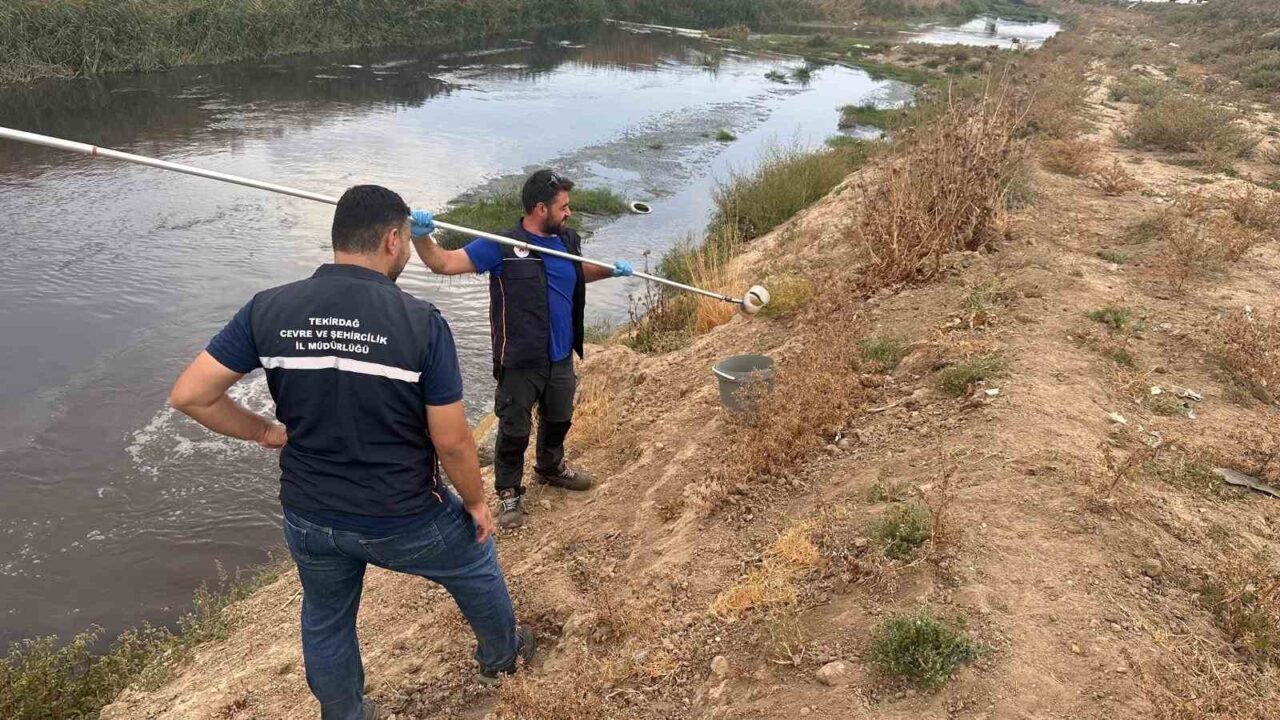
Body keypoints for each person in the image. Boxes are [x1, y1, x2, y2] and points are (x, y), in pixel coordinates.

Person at [169, 185, 533, 720]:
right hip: (403, 516)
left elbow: (190, 395)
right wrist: (477, 503)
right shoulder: (421, 321)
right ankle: (502, 659)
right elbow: (451, 439)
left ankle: (344, 713)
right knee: (476, 562)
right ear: (392, 239)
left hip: (310, 514)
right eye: (407, 240)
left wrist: (266, 433)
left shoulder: (268, 307)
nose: (408, 251)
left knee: (327, 616)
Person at [409, 170, 633, 529]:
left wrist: (609, 272)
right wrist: (422, 237)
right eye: (564, 207)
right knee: (514, 430)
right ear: (540, 209)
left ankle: (549, 468)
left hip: (560, 355)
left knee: (559, 418)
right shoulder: (498, 245)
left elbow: (576, 273)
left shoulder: (567, 240)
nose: (569, 213)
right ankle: (509, 494)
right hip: (518, 360)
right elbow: (442, 263)